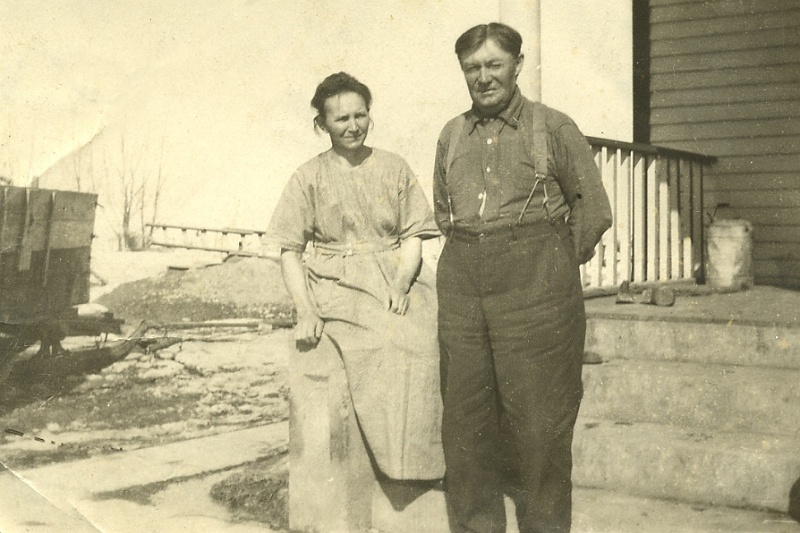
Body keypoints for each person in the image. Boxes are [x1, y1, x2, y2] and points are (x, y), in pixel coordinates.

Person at [433, 23, 612, 532]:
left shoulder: (552, 128)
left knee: (539, 432)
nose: (483, 77)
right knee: (465, 429)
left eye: (493, 65)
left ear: (517, 64)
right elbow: (445, 214)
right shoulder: (451, 134)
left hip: (537, 290)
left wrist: (551, 268)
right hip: (464, 288)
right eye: (472, 67)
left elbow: (592, 210)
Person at [267, 72, 445, 481]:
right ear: (322, 125)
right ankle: (403, 466)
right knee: (392, 341)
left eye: (360, 116)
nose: (352, 126)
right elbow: (289, 251)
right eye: (341, 119)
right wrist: (306, 310)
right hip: (338, 283)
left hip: (397, 272)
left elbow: (414, 234)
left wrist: (402, 283)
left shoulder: (393, 167)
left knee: (435, 332)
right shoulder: (307, 177)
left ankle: (437, 454)